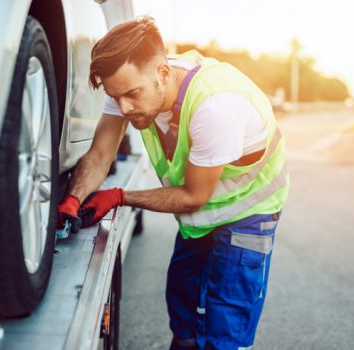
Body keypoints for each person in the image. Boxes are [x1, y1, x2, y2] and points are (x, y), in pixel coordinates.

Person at [57, 16, 289, 350]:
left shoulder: (216, 107)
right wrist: (72, 200)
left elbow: (194, 197)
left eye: (131, 95)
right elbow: (99, 156)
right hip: (203, 213)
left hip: (248, 213)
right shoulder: (128, 85)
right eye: (115, 96)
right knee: (182, 298)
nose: (123, 107)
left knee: (226, 318)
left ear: (163, 74)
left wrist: (120, 196)